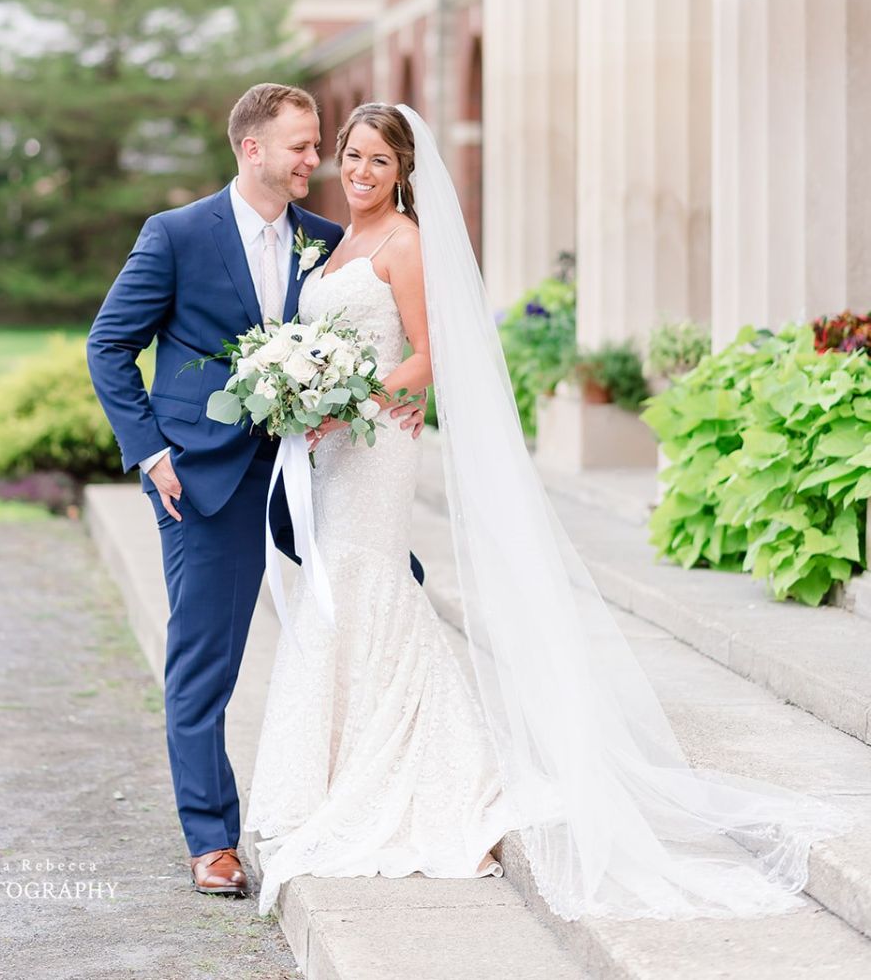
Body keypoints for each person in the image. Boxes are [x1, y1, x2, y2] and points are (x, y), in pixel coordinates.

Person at [246, 101, 851, 922]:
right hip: (331, 451)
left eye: (377, 162)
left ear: (402, 173)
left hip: (375, 445)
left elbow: (431, 355)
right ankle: (334, 765)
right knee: (336, 587)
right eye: (349, 156)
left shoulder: (405, 245)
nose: (358, 172)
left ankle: (409, 770)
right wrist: (302, 392)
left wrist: (346, 398)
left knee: (366, 583)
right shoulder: (333, 243)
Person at [86, 84, 426, 900]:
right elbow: (109, 346)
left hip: (322, 476)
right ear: (253, 150)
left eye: (321, 147)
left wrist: (385, 401)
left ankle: (372, 788)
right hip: (203, 482)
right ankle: (211, 840)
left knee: (381, 602)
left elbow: (370, 342)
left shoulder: (326, 240)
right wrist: (153, 455)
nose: (320, 161)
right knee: (206, 661)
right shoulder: (175, 236)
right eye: (305, 147)